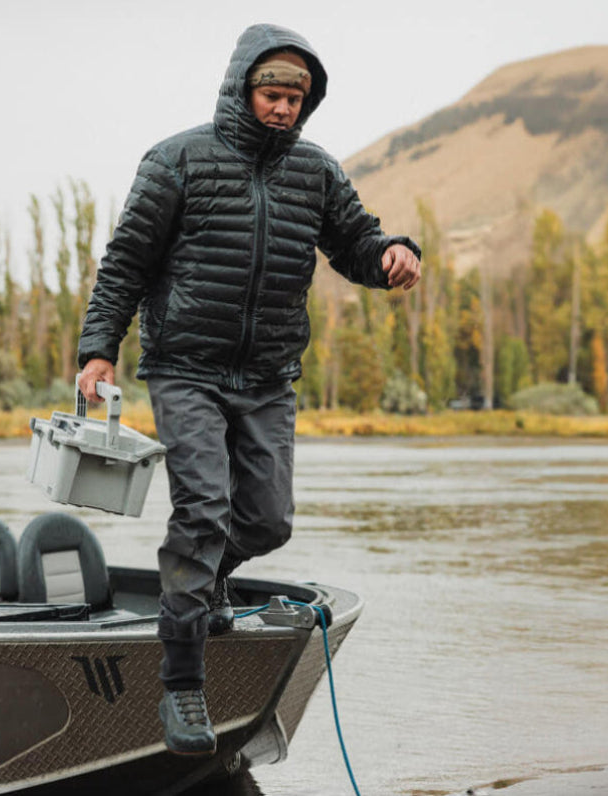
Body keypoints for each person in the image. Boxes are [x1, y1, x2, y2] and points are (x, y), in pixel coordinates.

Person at [77, 22, 421, 757]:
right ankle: (182, 686)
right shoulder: (176, 162)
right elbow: (124, 265)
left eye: (296, 99)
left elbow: (355, 243)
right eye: (272, 94)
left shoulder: (316, 172)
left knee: (266, 522)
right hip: (187, 369)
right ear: (242, 89)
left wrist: (392, 251)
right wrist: (98, 350)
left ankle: (203, 588)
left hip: (268, 376)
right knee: (203, 511)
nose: (284, 110)